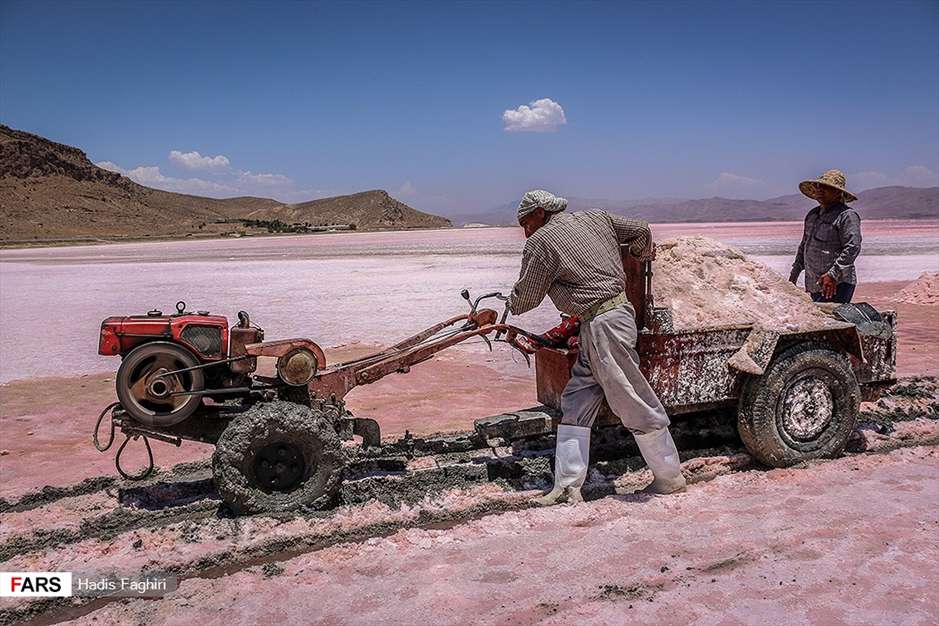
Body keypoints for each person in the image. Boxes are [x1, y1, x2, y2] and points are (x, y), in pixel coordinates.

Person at [507, 189, 687, 505]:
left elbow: (528, 297)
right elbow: (641, 229)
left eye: (525, 223)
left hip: (606, 322)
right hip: (597, 321)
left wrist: (510, 303)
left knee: (630, 396)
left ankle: (669, 477)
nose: (525, 231)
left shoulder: (542, 241)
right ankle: (567, 486)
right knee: (576, 400)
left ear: (538, 213)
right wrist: (641, 259)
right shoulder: (597, 217)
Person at [789, 169, 862, 303]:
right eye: (818, 187)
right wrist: (794, 273)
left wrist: (833, 274)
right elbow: (804, 245)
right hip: (814, 282)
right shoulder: (813, 215)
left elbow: (853, 247)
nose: (820, 190)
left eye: (826, 187)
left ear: (838, 192)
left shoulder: (846, 216)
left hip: (836, 283)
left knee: (833, 318)